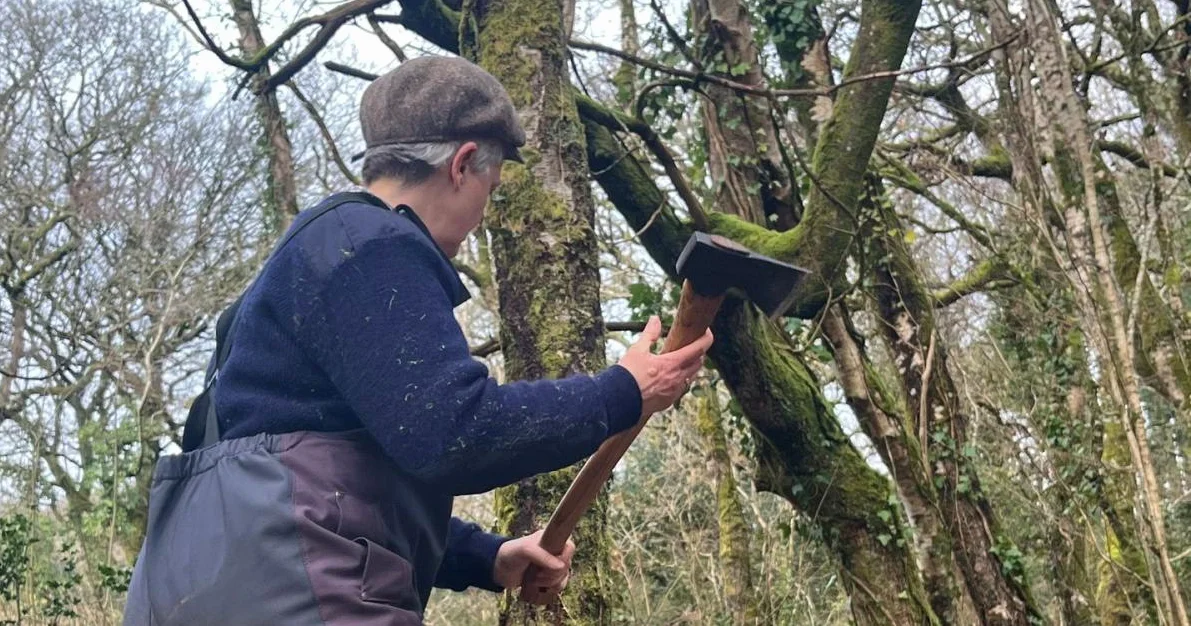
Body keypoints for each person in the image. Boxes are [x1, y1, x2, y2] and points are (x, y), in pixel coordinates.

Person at [122, 55, 713, 625]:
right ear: (462, 165)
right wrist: (623, 392)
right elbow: (456, 432)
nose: (484, 211)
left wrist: (486, 557)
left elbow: (339, 489)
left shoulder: (319, 257)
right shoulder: (373, 248)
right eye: (492, 186)